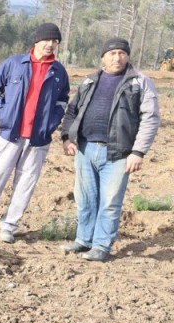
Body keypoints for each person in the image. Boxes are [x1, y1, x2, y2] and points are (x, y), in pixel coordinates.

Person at [0, 23, 70, 243]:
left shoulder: (59, 72)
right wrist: (3, 114)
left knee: (25, 184)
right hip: (10, 135)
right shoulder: (14, 64)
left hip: (38, 139)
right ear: (36, 40)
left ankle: (8, 226)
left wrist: (51, 123)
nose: (51, 44)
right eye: (47, 39)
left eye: (55, 41)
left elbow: (62, 101)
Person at [59, 38, 161, 263]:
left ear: (127, 56)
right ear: (103, 57)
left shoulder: (139, 82)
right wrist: (67, 137)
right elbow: (72, 112)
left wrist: (138, 152)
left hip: (118, 153)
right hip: (85, 149)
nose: (118, 57)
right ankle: (84, 239)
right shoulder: (89, 81)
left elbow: (150, 119)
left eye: (122, 53)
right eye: (112, 53)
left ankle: (101, 245)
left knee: (110, 201)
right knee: (85, 198)